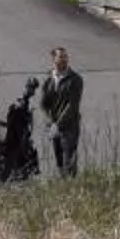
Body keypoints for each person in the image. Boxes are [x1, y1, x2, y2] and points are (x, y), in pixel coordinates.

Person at [41, 46, 84, 176]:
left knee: (69, 159)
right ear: (54, 59)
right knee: (59, 159)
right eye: (61, 57)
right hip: (54, 125)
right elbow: (44, 103)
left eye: (65, 56)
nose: (64, 59)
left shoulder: (75, 79)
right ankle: (62, 186)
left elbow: (72, 105)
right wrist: (49, 121)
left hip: (69, 126)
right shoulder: (49, 78)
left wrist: (58, 125)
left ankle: (71, 186)